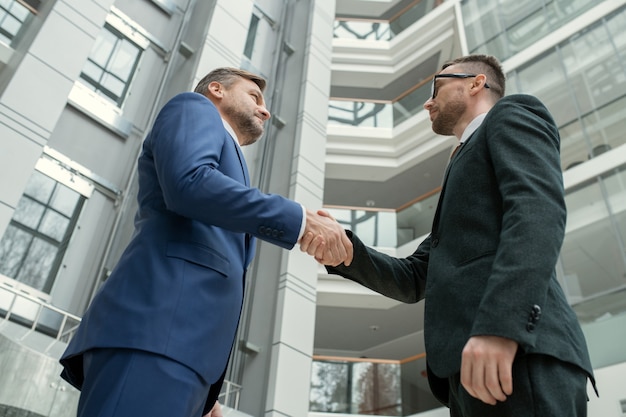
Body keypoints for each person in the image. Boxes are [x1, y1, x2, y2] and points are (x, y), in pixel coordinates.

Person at [302, 54, 597, 416]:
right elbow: (414, 278)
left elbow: (536, 211)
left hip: (517, 351)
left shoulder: (512, 114)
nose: (427, 101)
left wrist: (500, 328)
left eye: (436, 87)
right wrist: (345, 252)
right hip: (469, 371)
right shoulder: (460, 163)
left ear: (475, 83)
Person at [59, 67, 353, 417]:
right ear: (216, 89)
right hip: (154, 338)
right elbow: (190, 183)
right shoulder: (193, 108)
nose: (265, 110)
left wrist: (204, 390)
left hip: (186, 360)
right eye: (254, 96)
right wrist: (300, 220)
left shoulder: (231, 159)